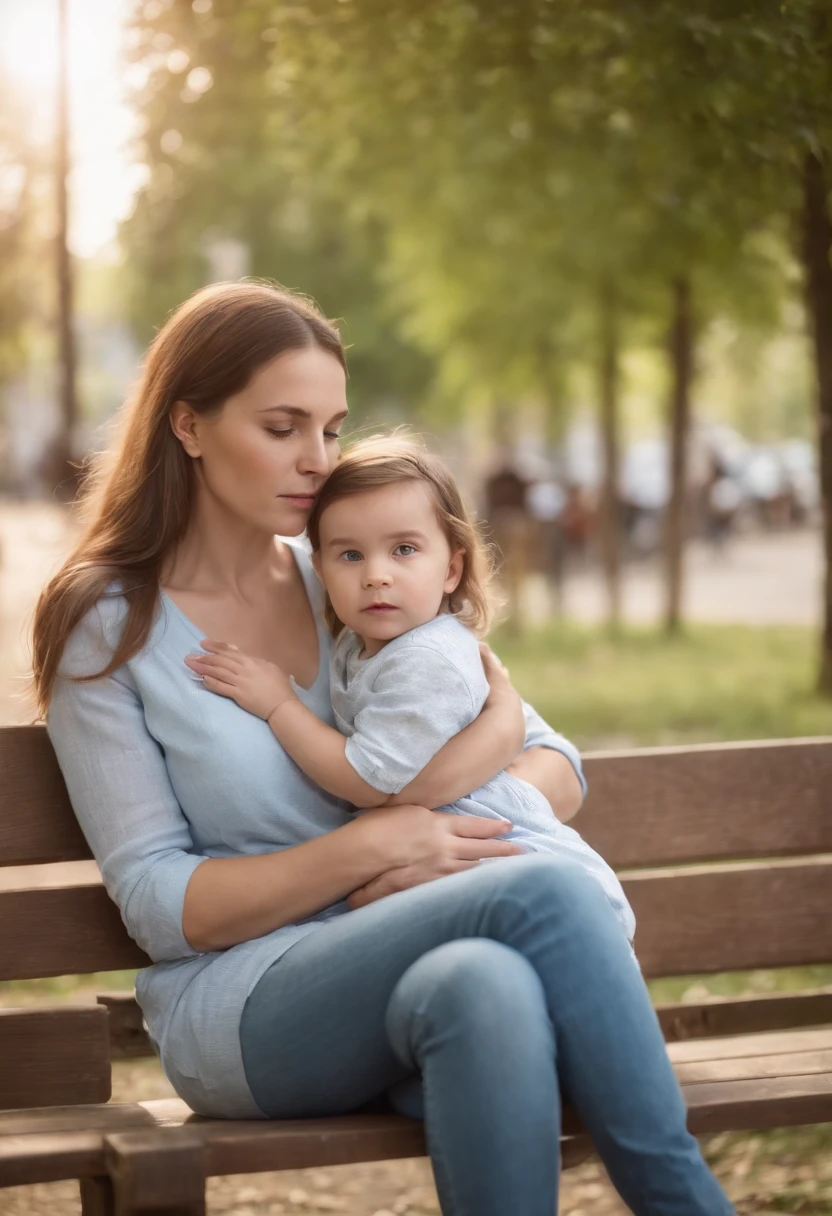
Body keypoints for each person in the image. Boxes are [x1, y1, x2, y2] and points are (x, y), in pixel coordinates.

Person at [32, 282, 733, 1215]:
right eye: (283, 427)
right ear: (189, 425)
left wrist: (461, 784)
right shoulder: (110, 623)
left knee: (486, 987)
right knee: (548, 892)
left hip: (410, 975)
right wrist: (378, 846)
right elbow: (161, 903)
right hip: (245, 1003)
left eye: (331, 428)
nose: (318, 461)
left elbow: (555, 763)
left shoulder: (345, 569)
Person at [183, 435, 635, 943]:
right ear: (322, 571)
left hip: (525, 885)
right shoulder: (365, 645)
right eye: (350, 555)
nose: (376, 575)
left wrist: (279, 704)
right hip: (477, 891)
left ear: (452, 568)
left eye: (404, 550)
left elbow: (366, 780)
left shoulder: (426, 659)